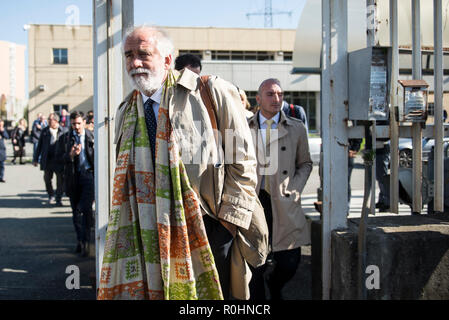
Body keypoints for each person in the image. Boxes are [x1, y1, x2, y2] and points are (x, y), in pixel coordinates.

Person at [98, 26, 262, 300]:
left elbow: (243, 159)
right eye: (128, 55)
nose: (134, 62)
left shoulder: (210, 91)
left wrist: (228, 222)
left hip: (208, 226)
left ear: (166, 59)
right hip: (146, 232)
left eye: (143, 54)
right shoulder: (126, 110)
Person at [247, 78, 313, 300]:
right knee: (255, 264)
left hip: (284, 200)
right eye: (270, 94)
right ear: (258, 99)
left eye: (280, 94)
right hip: (254, 201)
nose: (276, 99)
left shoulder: (296, 128)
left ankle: (274, 285)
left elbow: (305, 163)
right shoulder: (243, 127)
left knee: (289, 262)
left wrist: (295, 188)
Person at [59, 111, 94, 257]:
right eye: (74, 124)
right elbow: (58, 157)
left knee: (84, 209)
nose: (77, 126)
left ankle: (86, 240)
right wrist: (70, 155)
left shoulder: (92, 136)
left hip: (88, 175)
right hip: (73, 178)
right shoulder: (66, 138)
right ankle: (80, 241)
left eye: (79, 123)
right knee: (75, 212)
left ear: (84, 123)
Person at [33, 113, 66, 206]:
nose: (48, 121)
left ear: (55, 121)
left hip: (59, 160)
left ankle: (58, 198)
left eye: (50, 119)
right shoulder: (45, 131)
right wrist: (35, 159)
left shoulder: (63, 131)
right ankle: (51, 195)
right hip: (48, 159)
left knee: (60, 181)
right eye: (48, 119)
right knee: (47, 179)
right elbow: (39, 146)